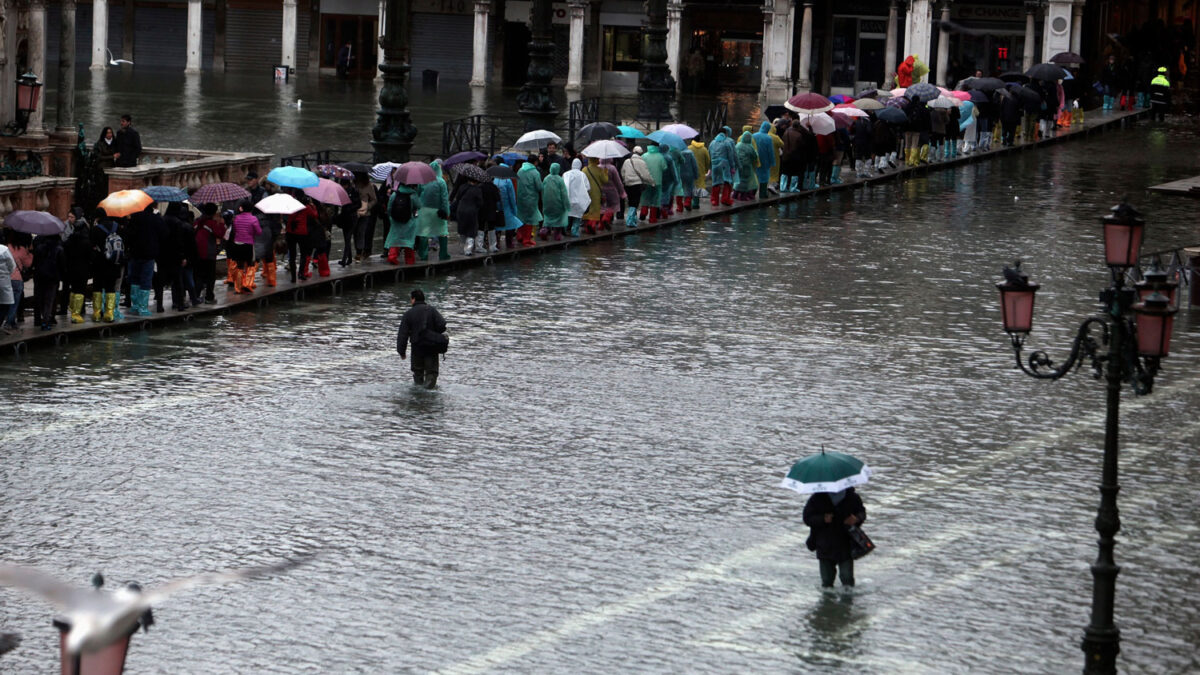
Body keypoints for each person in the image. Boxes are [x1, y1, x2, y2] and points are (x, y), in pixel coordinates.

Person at [803, 487, 867, 588]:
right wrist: (823, 519)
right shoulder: (817, 498)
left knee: (847, 579)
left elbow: (862, 513)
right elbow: (807, 518)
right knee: (827, 581)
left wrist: (857, 518)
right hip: (824, 544)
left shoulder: (852, 497)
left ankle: (847, 602)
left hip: (846, 543)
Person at [396, 288, 447, 389]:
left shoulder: (408, 314)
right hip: (431, 347)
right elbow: (442, 325)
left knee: (418, 372)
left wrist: (402, 352)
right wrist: (433, 333)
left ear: (413, 299)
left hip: (416, 348)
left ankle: (419, 397)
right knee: (431, 373)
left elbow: (403, 335)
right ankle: (428, 393)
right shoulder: (432, 310)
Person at [125, 204, 164, 316]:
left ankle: (135, 306)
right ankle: (143, 307)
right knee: (146, 280)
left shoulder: (134, 217)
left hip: (135, 253)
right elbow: (164, 233)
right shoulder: (155, 218)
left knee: (135, 279)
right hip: (149, 254)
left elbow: (129, 235)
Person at [416, 161, 451, 261]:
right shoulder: (441, 182)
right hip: (438, 211)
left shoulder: (423, 180)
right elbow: (444, 198)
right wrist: (446, 212)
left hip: (424, 211)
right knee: (442, 232)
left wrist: (418, 208)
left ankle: (424, 254)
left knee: (424, 233)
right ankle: (443, 254)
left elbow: (418, 194)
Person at [63, 212, 93, 322]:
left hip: (71, 269)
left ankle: (72, 310)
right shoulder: (87, 242)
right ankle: (77, 313)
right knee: (80, 290)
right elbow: (90, 257)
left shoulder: (68, 241)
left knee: (74, 290)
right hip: (83, 270)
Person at [193, 203, 225, 303]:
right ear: (214, 212)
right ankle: (209, 297)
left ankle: (195, 296)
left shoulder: (197, 221)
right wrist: (222, 224)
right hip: (208, 252)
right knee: (210, 276)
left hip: (196, 252)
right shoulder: (211, 223)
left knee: (198, 275)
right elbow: (220, 234)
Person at [32, 234, 65, 330]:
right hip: (52, 277)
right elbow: (62, 265)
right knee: (49, 300)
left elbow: (35, 262)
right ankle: (46, 321)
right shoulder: (59, 249)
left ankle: (40, 317)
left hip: (39, 276)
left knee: (40, 297)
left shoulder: (39, 248)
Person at [228, 200, 262, 293]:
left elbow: (234, 230)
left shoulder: (236, 218)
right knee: (251, 264)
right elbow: (259, 232)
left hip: (237, 244)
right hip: (248, 244)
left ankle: (238, 288)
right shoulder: (253, 219)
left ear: (241, 208)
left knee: (239, 266)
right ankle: (247, 284)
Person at [384, 183, 419, 264]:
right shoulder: (413, 194)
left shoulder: (394, 194)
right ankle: (409, 259)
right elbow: (418, 206)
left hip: (396, 221)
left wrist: (391, 218)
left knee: (395, 239)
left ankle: (392, 256)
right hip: (409, 221)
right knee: (408, 240)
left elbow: (389, 208)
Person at [452, 174, 486, 254]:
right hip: (471, 211)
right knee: (471, 230)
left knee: (463, 229)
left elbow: (458, 198)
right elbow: (480, 203)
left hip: (460, 210)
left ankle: (462, 248)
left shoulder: (462, 187)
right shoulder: (477, 190)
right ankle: (468, 250)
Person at [619, 146, 652, 226]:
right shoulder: (642, 162)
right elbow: (645, 174)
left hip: (627, 184)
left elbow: (622, 172)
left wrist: (625, 180)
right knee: (635, 202)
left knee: (630, 201)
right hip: (637, 184)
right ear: (641, 153)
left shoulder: (627, 161)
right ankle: (630, 220)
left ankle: (633, 218)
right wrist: (651, 182)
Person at [286, 197, 317, 281]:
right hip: (301, 233)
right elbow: (315, 215)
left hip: (290, 232)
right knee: (303, 254)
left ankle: (293, 277)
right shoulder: (306, 207)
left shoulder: (290, 205)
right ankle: (301, 273)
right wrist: (313, 206)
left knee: (292, 256)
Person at [515, 160, 542, 247]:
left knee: (521, 217)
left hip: (520, 198)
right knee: (530, 219)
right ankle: (526, 239)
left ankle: (520, 235)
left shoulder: (520, 170)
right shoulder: (535, 172)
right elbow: (539, 187)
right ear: (535, 162)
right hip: (531, 198)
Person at [540, 163, 569, 241]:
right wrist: (566, 205)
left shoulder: (546, 178)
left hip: (547, 203)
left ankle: (544, 230)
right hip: (557, 203)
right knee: (558, 220)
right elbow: (564, 194)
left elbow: (542, 191)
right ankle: (557, 235)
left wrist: (544, 201)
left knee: (547, 218)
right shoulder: (560, 180)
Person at [708, 128, 736, 206]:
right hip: (724, 165)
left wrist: (710, 167)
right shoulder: (727, 143)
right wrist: (732, 167)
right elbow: (730, 156)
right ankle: (725, 199)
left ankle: (714, 200)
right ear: (725, 134)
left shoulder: (712, 143)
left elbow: (709, 155)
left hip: (714, 164)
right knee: (727, 181)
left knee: (716, 182)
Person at [562, 158, 590, 235]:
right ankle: (575, 232)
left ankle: (565, 231)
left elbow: (563, 186)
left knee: (567, 216)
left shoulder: (566, 174)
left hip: (568, 199)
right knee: (577, 216)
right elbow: (587, 187)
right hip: (579, 200)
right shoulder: (582, 175)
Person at [354, 173, 377, 261]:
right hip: (354, 212)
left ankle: (359, 252)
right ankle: (357, 251)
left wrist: (367, 206)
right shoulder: (353, 184)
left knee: (361, 232)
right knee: (355, 233)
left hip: (365, 214)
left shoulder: (369, 186)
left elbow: (374, 200)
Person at [0, 240, 15, 334]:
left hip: (4, 280)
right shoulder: (4, 250)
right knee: (5, 304)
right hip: (4, 281)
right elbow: (12, 266)